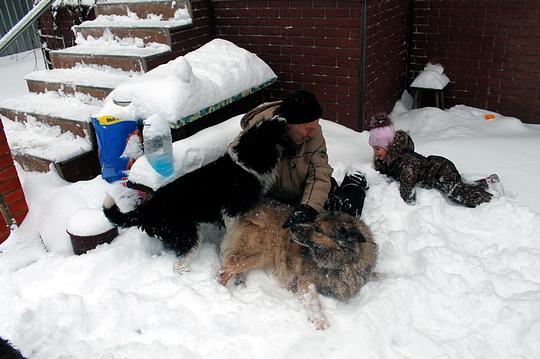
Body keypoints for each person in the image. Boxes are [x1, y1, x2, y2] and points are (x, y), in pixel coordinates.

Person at [239, 90, 368, 227]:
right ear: (288, 125)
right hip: (273, 198)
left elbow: (319, 173)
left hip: (305, 190)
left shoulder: (314, 136)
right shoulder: (254, 138)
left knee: (344, 219)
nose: (312, 134)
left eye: (315, 126)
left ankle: (354, 181)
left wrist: (309, 208)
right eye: (308, 129)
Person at [369, 112, 499, 207]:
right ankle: (486, 182)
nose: (375, 153)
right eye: (374, 149)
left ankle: (490, 200)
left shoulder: (406, 161)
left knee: (457, 193)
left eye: (377, 149)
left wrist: (407, 200)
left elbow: (408, 181)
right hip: (437, 168)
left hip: (441, 170)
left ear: (388, 147)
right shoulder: (394, 158)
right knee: (461, 187)